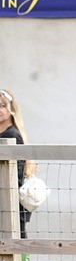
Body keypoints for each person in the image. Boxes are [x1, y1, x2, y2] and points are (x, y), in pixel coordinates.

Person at [0, 88, 34, 241]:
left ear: (11, 110)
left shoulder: (12, 135)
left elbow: (16, 174)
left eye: (2, 105)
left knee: (17, 240)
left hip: (10, 199)